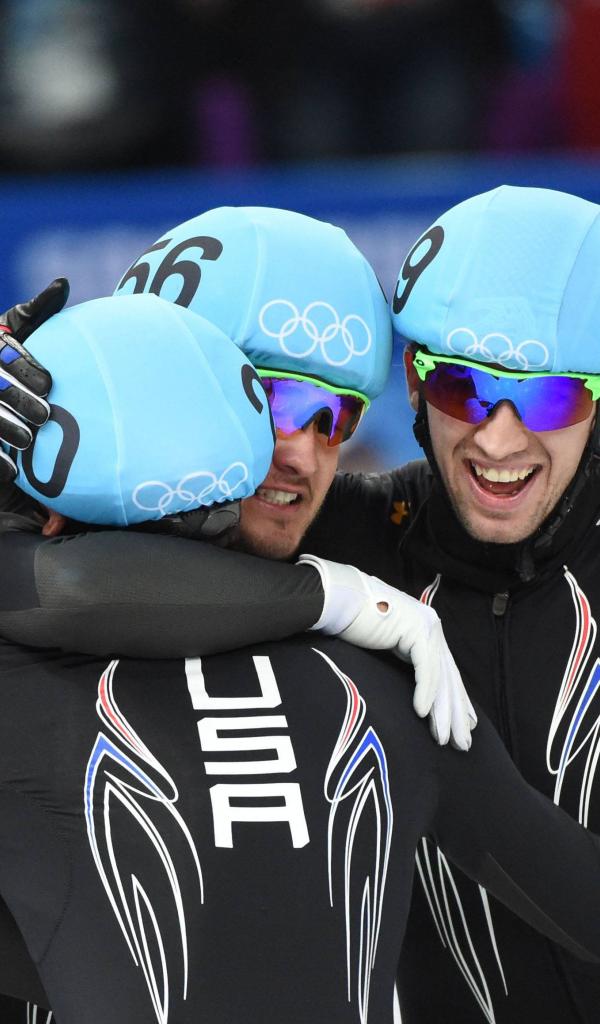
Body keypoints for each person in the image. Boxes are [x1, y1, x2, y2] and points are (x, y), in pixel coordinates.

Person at [11, 189, 600, 1020]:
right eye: (268, 401)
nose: (298, 452)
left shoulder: (388, 653)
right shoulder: (370, 609)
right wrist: (337, 597)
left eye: (334, 415)